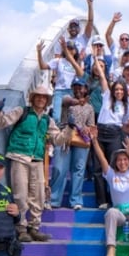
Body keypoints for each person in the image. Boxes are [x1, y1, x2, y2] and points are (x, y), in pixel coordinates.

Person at [0, 88, 58, 242]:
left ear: (47, 101)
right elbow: (1, 123)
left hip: (37, 159)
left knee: (39, 196)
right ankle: (21, 228)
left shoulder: (47, 120)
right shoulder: (22, 111)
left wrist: (69, 129)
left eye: (44, 97)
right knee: (20, 195)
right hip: (19, 156)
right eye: (38, 96)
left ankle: (34, 227)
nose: (41, 99)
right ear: (33, 98)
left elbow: (58, 139)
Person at [89, 126, 129, 256]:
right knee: (110, 213)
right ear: (115, 162)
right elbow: (102, 158)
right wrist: (95, 141)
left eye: (125, 159)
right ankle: (111, 249)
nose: (122, 162)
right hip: (120, 213)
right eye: (119, 160)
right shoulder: (111, 174)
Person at [49, 77, 95, 210]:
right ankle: (54, 199)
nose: (78, 89)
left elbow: (91, 125)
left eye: (81, 87)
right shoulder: (67, 99)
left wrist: (87, 129)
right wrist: (79, 102)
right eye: (75, 86)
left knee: (78, 170)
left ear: (85, 89)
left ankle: (75, 200)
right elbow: (69, 101)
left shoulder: (90, 107)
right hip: (65, 136)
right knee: (59, 168)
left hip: (81, 140)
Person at [92, 75, 129, 209]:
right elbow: (102, 78)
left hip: (115, 134)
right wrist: (97, 63)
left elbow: (126, 125)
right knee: (98, 168)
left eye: (121, 90)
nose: (119, 92)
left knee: (114, 167)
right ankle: (102, 200)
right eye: (117, 89)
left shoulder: (126, 105)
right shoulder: (107, 96)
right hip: (100, 132)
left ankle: (114, 199)